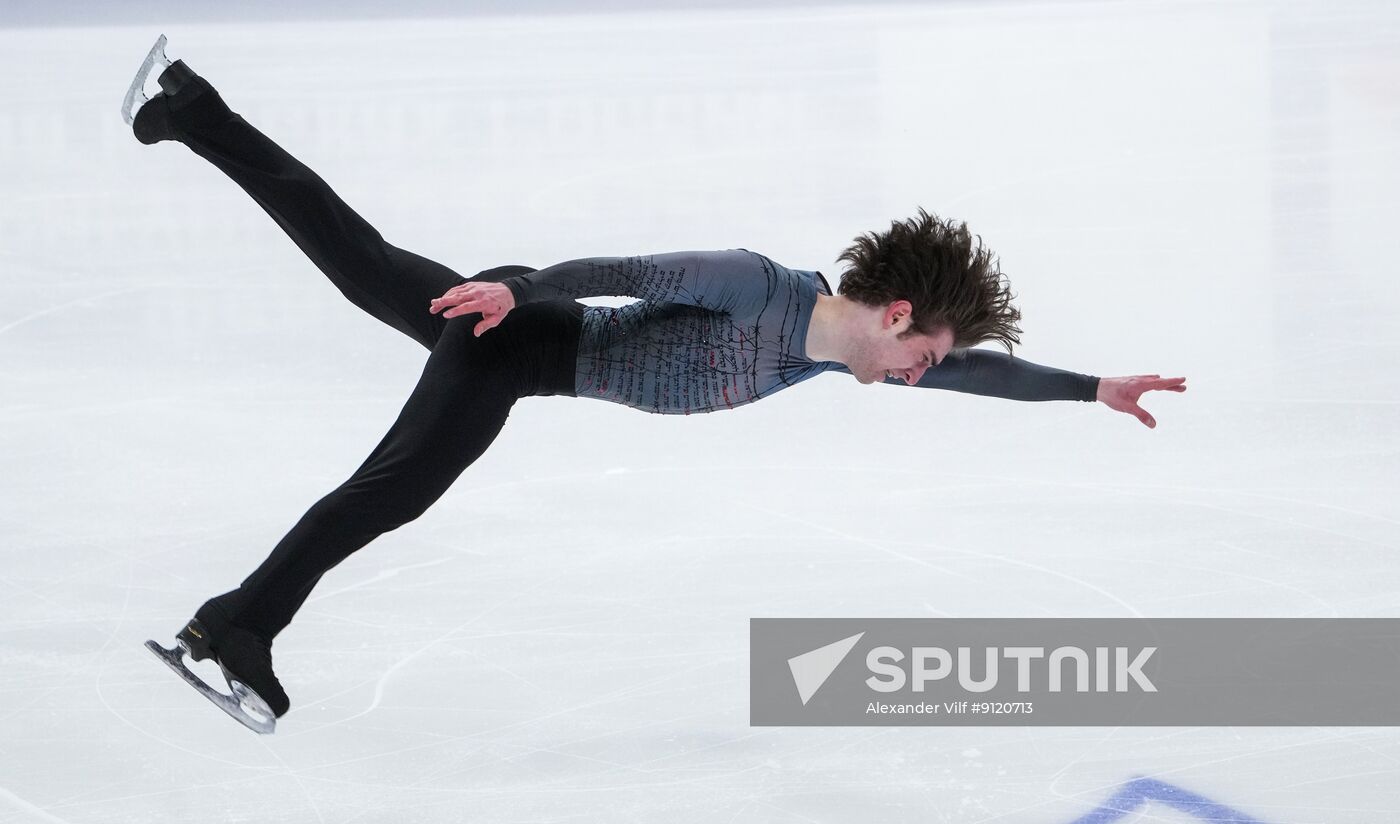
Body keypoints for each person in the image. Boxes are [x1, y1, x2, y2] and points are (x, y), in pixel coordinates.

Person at [124, 38, 1186, 726]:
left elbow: (981, 378)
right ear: (896, 314)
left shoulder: (830, 351)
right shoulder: (756, 285)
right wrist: (514, 288)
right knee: (395, 484)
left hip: (529, 347)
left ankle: (189, 108)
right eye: (924, 353)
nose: (923, 375)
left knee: (348, 246)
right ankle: (235, 626)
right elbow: (624, 273)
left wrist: (1088, 388)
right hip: (515, 332)